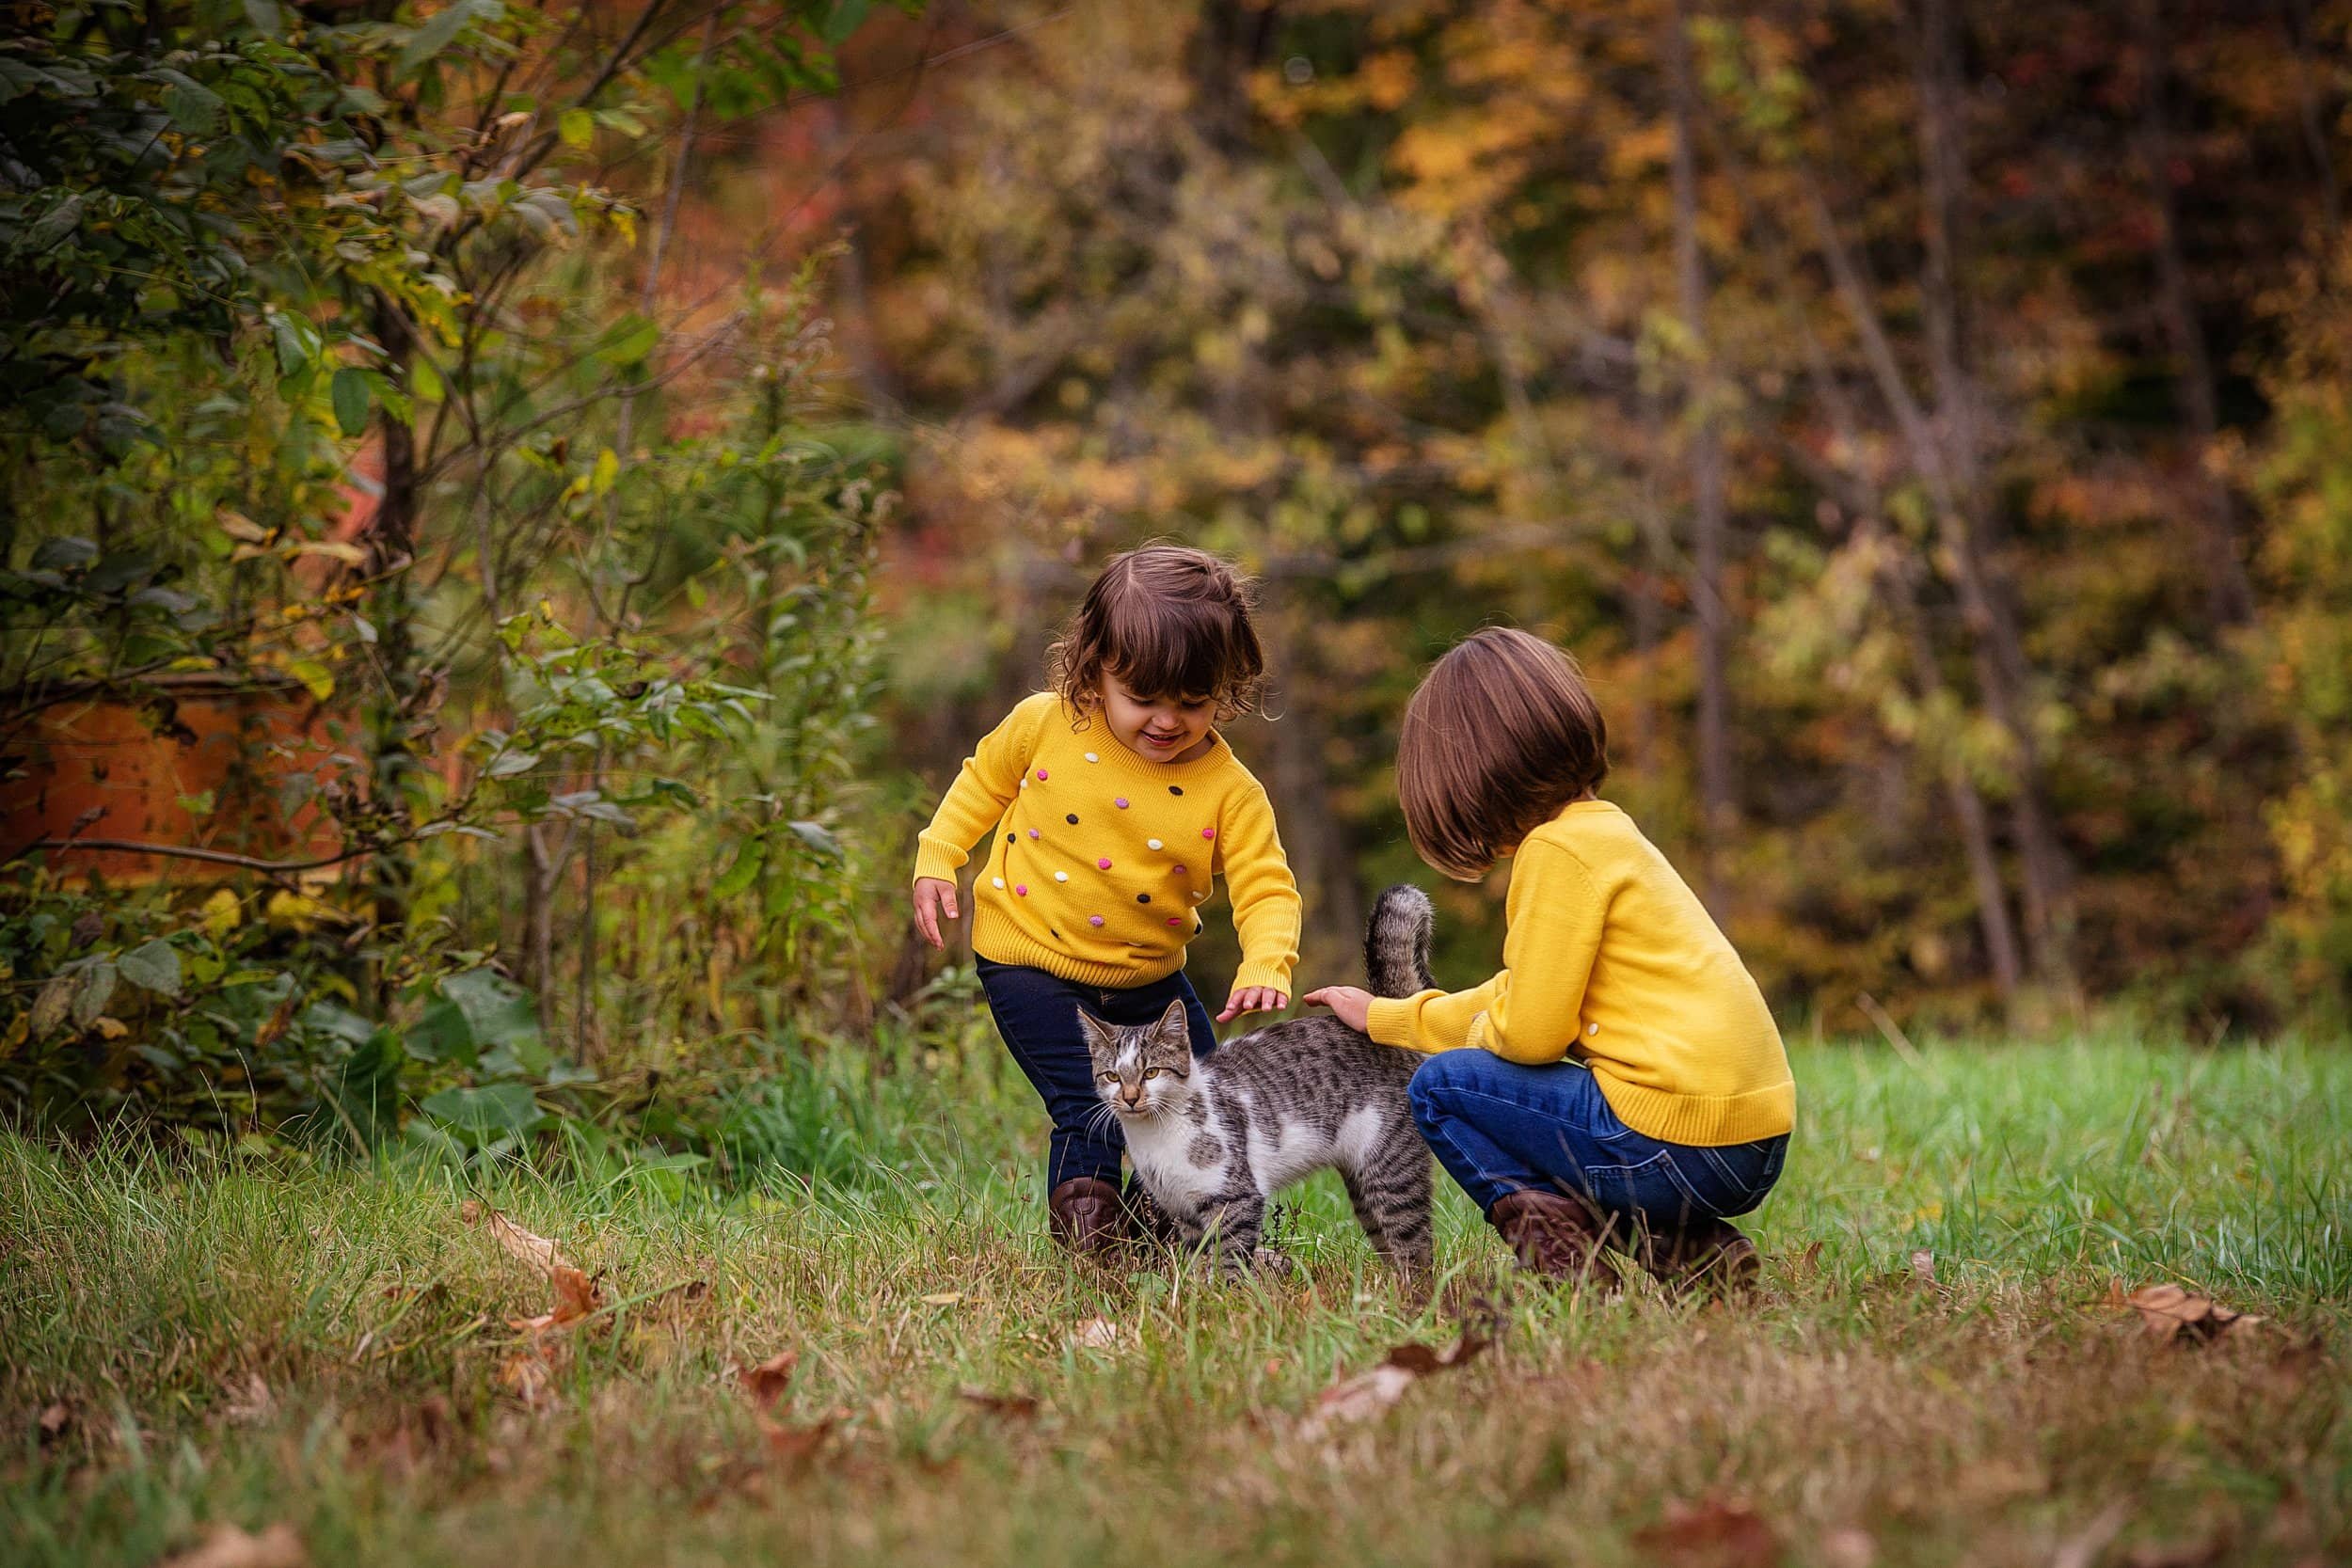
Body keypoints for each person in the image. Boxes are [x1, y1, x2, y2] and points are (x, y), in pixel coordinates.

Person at [1305, 627, 1793, 1292]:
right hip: (1749, 1140)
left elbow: (1530, 1033)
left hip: (1679, 1143)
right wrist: (1391, 1017)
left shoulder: (1553, 853)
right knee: (1467, 1076)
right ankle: (1694, 1254)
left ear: (1468, 779)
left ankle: (1577, 1273)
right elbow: (1518, 991)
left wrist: (1477, 1034)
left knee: (1440, 1089)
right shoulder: (1609, 833)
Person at [912, 545, 1301, 1257]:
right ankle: (1091, 1254)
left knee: (1202, 1098)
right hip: (1029, 956)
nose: (1167, 719)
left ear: (1227, 687)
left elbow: (1267, 885)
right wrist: (939, 855)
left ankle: (1166, 1234)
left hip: (1149, 979)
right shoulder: (1046, 723)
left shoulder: (1231, 791)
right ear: (1094, 670)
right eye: (1143, 697)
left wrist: (1267, 961)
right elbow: (980, 783)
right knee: (1086, 1108)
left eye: (1193, 701)